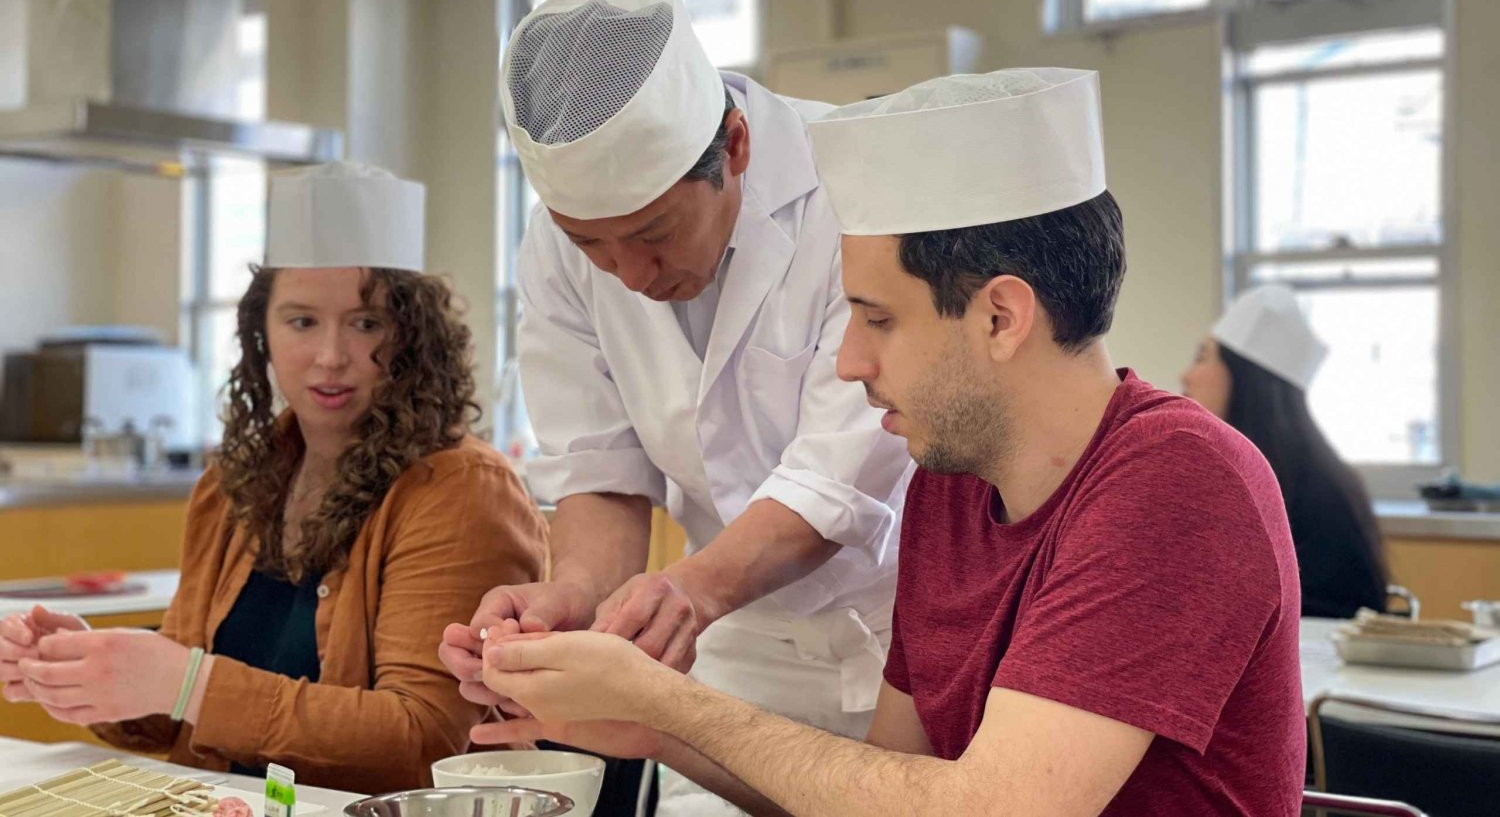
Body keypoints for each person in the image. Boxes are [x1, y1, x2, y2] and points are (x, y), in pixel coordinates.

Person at [468, 69, 1307, 817]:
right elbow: (882, 783)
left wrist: (675, 705)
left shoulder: (1178, 482)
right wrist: (650, 724)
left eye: (876, 318)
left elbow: (998, 807)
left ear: (999, 317)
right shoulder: (951, 487)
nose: (847, 360)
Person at [439, 0, 911, 815]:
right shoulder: (553, 245)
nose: (630, 274)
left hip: (896, 648)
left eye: (654, 233)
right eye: (593, 245)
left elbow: (835, 480)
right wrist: (572, 595)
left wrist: (686, 591)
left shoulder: (856, 187)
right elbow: (602, 464)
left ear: (735, 146)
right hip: (716, 663)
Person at [0, 162, 547, 794]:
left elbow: (424, 740)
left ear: (412, 334)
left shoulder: (461, 491)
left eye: (366, 322)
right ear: (261, 332)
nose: (331, 355)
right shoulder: (233, 484)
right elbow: (176, 719)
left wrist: (188, 681)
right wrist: (98, 671)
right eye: (302, 320)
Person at [1182, 284, 1389, 619]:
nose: (1186, 375)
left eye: (1202, 357)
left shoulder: (1300, 488)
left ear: (1245, 377)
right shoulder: (1314, 471)